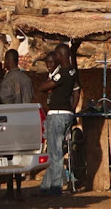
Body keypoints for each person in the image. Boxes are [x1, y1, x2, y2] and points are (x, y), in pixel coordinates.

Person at [36, 51, 76, 197]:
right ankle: (46, 187)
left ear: (61, 56)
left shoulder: (62, 74)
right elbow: (76, 91)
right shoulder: (72, 71)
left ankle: (55, 188)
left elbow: (42, 87)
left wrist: (49, 84)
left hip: (57, 115)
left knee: (56, 153)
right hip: (66, 114)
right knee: (55, 151)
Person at [0, 49, 34, 201]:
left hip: (10, 123)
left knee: (8, 158)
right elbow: (30, 98)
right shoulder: (26, 79)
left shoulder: (7, 80)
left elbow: (2, 100)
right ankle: (19, 190)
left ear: (8, 61)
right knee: (20, 157)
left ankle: (10, 190)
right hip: (24, 123)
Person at [55, 44, 81, 112]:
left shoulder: (63, 73)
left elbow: (43, 88)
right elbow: (77, 92)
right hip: (68, 111)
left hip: (60, 112)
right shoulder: (72, 72)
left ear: (59, 55)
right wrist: (73, 108)